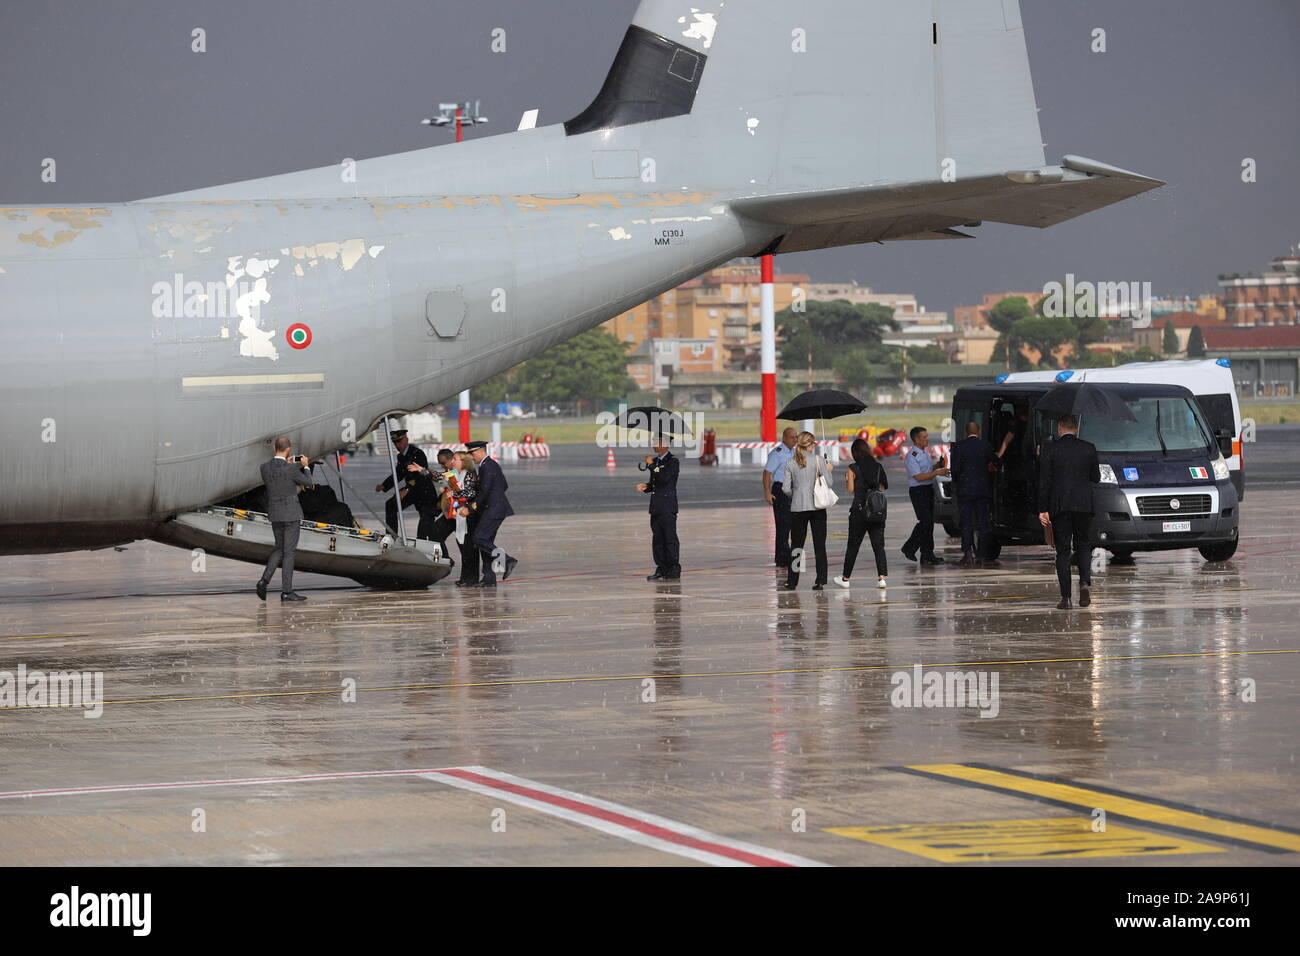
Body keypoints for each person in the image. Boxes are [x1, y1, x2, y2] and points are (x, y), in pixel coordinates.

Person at [1038, 414, 1101, 609]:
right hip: (1084, 505)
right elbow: (1096, 477)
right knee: (1083, 543)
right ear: (1077, 429)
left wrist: (1042, 509)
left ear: (1059, 428)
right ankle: (1084, 582)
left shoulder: (1051, 450)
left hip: (1060, 506)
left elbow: (1045, 482)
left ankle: (1066, 598)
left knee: (1063, 551)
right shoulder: (1089, 448)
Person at [256, 436, 313, 602]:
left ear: (275, 448)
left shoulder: (264, 468)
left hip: (275, 513)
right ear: (288, 449)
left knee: (278, 549)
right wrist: (305, 466)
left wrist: (292, 465)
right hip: (291, 514)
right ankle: (287, 592)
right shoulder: (291, 469)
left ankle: (263, 581)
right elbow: (308, 482)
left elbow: (280, 474)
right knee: (289, 553)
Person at [777, 431, 833, 590]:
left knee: (796, 546)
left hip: (798, 508)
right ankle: (820, 580)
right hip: (817, 507)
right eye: (813, 443)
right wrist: (828, 468)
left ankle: (792, 581)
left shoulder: (790, 462)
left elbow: (786, 488)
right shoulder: (818, 460)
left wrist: (797, 495)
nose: (814, 446)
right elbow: (829, 483)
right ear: (809, 445)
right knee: (819, 545)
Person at [833, 437, 888, 589]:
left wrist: (848, 479)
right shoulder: (877, 466)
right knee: (878, 545)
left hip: (859, 510)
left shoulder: (852, 468)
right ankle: (882, 578)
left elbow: (850, 490)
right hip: (876, 509)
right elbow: (883, 487)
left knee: (853, 545)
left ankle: (845, 578)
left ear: (855, 453)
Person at [467, 440, 518, 587]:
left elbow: (484, 491)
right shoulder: (489, 465)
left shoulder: (488, 466)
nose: (471, 457)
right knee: (485, 543)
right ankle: (489, 579)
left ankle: (507, 560)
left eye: (472, 453)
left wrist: (471, 508)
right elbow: (503, 485)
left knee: (478, 538)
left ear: (480, 451)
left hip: (493, 510)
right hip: (494, 507)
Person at [949, 421, 997, 567]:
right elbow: (996, 463)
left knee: (966, 522)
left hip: (965, 490)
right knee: (983, 523)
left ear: (966, 432)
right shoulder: (986, 446)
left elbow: (955, 470)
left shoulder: (959, 447)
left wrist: (958, 481)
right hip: (982, 489)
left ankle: (967, 554)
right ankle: (982, 554)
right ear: (979, 431)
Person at [900, 426, 949, 565]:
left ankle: (926, 554)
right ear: (916, 439)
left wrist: (937, 466)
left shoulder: (924, 452)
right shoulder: (912, 456)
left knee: (928, 524)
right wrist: (937, 473)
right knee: (925, 522)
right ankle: (910, 548)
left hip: (927, 489)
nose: (927, 439)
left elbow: (927, 470)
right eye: (924, 437)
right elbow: (919, 477)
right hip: (918, 491)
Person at [636, 435, 680, 580]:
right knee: (658, 540)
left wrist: (650, 465)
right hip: (656, 506)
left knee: (669, 539)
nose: (654, 444)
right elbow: (656, 483)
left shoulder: (673, 461)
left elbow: (664, 478)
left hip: (667, 506)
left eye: (657, 442)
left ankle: (673, 569)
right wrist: (646, 487)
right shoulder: (656, 462)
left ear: (665, 445)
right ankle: (661, 568)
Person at [374, 430, 429, 539]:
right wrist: (384, 485)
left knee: (426, 519)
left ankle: (424, 542)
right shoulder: (401, 456)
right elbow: (399, 474)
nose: (397, 445)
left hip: (424, 490)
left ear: (406, 440)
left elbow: (423, 475)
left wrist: (407, 489)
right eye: (395, 443)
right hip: (412, 490)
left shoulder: (417, 454)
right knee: (391, 505)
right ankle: (391, 537)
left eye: (399, 442)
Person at [761, 427, 798, 568]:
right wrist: (767, 491)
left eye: (796, 437)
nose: (795, 439)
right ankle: (783, 558)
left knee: (790, 525)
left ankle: (782, 557)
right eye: (792, 437)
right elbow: (767, 473)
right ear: (784, 438)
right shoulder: (777, 454)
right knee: (783, 525)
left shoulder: (795, 453)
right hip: (780, 490)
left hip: (792, 490)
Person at [406, 447, 458, 547]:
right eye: (440, 464)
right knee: (435, 533)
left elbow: (440, 477)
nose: (442, 466)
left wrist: (422, 469)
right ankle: (444, 559)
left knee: (465, 546)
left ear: (452, 459)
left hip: (461, 515)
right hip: (451, 513)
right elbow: (442, 477)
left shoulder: (457, 471)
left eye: (444, 463)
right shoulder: (451, 471)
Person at [451, 450, 481, 587]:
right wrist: (423, 470)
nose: (452, 462)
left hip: (471, 514)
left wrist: (455, 494)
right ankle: (465, 577)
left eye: (455, 459)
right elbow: (439, 477)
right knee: (464, 548)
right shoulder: (457, 475)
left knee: (470, 549)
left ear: (463, 462)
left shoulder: (470, 474)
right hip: (461, 513)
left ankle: (471, 578)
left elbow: (470, 493)